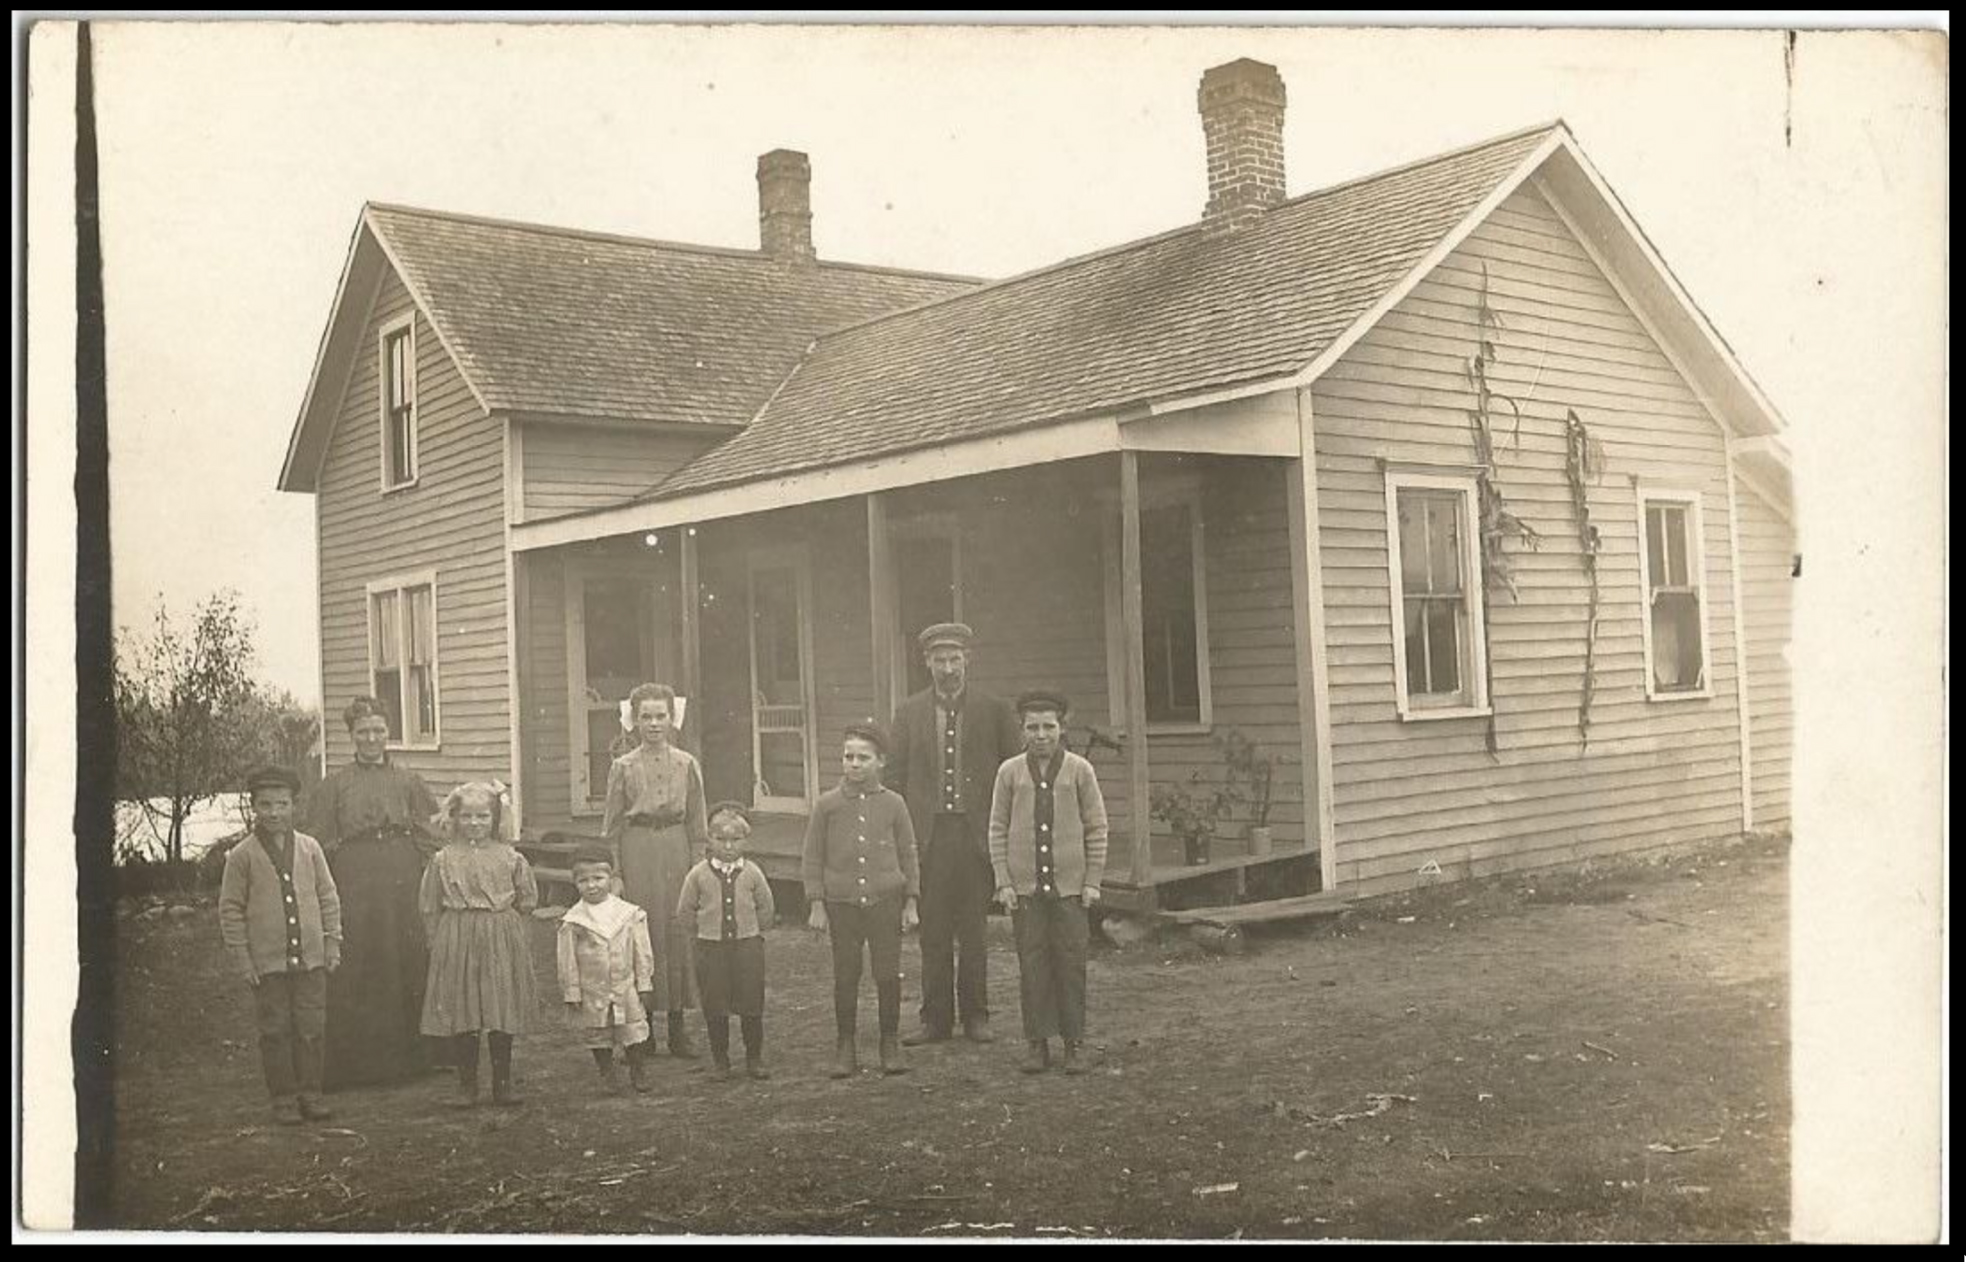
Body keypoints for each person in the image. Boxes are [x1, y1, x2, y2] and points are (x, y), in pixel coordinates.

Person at [886, 623, 1022, 1047]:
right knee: (934, 933)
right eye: (939, 660)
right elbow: (894, 777)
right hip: (929, 838)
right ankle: (935, 1020)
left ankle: (977, 1016)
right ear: (927, 663)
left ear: (968, 659)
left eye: (955, 659)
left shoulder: (993, 709)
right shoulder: (908, 712)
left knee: (974, 931)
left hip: (975, 836)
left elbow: (1012, 775)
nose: (948, 668)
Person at [306, 696, 444, 1089]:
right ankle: (357, 1064)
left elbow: (429, 834)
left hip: (401, 874)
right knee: (359, 960)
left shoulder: (409, 781)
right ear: (351, 736)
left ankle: (417, 1058)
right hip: (356, 876)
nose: (372, 739)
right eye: (363, 732)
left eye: (379, 731)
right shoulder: (334, 785)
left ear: (389, 733)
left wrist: (428, 875)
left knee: (408, 957)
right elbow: (317, 843)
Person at [989, 691, 1110, 1075]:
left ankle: (1075, 1043)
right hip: (1025, 891)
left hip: (1071, 891)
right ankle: (1037, 1043)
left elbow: (1097, 827)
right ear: (1021, 730)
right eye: (1032, 727)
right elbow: (997, 829)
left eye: (1048, 727)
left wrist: (1092, 880)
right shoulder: (1009, 772)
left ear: (1062, 728)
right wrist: (1004, 881)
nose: (1041, 735)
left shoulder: (1079, 770)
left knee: (1071, 963)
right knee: (1033, 964)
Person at [218, 764, 343, 1125]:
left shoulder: (309, 848)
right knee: (275, 1031)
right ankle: (284, 1098)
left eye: (282, 804)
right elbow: (230, 909)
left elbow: (328, 896)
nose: (275, 812)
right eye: (266, 805)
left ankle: (311, 1093)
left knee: (310, 1027)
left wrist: (332, 942)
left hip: (311, 961)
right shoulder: (242, 855)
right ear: (253, 807)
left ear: (294, 806)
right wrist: (244, 959)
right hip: (268, 964)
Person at [802, 721, 920, 1078]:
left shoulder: (894, 804)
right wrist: (817, 903)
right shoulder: (827, 805)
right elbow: (812, 856)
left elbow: (909, 853)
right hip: (842, 905)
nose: (854, 764)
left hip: (885, 901)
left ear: (880, 761)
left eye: (863, 758)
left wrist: (911, 901)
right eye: (848, 756)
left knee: (887, 974)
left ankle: (889, 1042)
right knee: (846, 974)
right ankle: (846, 1046)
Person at [602, 683, 711, 1059]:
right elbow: (613, 825)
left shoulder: (686, 763)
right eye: (645, 716)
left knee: (678, 931)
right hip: (639, 849)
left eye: (660, 716)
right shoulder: (623, 767)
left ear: (672, 719)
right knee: (643, 935)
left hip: (676, 848)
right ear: (634, 720)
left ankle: (679, 1030)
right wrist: (616, 871)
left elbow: (698, 821)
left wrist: (699, 865)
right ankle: (644, 1030)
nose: (653, 723)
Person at [419, 780, 538, 1108]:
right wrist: (436, 943)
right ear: (454, 818)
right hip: (458, 933)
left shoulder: (510, 857)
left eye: (483, 816)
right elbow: (429, 905)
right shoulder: (443, 860)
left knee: (500, 1008)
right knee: (463, 1009)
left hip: (500, 933)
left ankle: (502, 1084)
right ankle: (467, 1086)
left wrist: (517, 941)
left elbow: (526, 901)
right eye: (467, 816)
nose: (474, 823)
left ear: (495, 819)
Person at [676, 803, 777, 1080]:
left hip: (747, 948)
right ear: (709, 839)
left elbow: (766, 907)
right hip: (711, 949)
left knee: (751, 1004)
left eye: (735, 840)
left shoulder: (753, 873)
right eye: (721, 839)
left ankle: (753, 1059)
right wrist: (704, 933)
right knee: (715, 1004)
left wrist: (753, 930)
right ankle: (721, 1062)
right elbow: (685, 911)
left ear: (746, 840)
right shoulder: (698, 874)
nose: (728, 847)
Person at [557, 849, 657, 1095]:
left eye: (598, 878)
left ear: (611, 878)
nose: (591, 886)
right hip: (593, 988)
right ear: (575, 883)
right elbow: (566, 960)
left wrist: (644, 982)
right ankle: (607, 1072)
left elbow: (641, 951)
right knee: (597, 1031)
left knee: (632, 1029)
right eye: (583, 880)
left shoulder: (629, 914)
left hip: (625, 986)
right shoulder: (574, 921)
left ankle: (638, 1070)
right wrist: (572, 991)